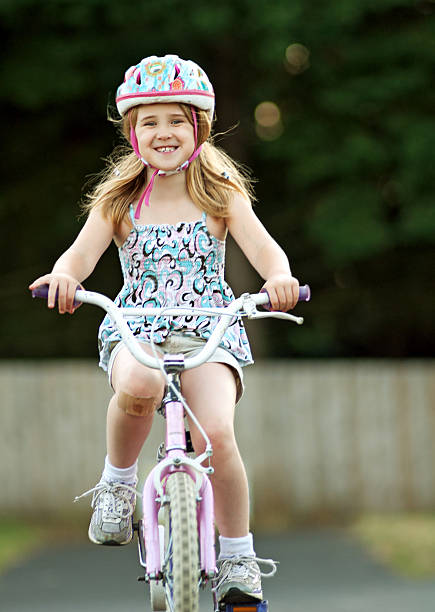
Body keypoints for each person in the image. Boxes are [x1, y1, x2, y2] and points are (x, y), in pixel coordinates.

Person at [29, 54, 299, 604]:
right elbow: (77, 259)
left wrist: (280, 279)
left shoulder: (221, 196)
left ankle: (239, 557)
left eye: (176, 120)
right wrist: (62, 278)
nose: (164, 132)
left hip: (209, 331)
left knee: (217, 436)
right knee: (137, 389)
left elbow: (268, 254)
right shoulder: (119, 201)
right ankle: (118, 481)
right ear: (133, 134)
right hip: (140, 328)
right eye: (149, 122)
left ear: (198, 127)